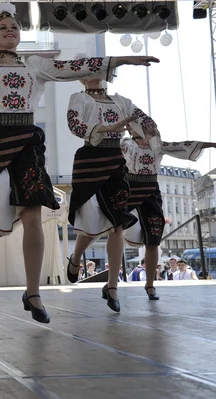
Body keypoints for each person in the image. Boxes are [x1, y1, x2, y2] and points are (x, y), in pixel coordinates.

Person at [0, 2, 158, 323]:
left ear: (20, 36)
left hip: (29, 142)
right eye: (3, 28)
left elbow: (74, 67)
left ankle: (33, 292)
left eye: (15, 28)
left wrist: (121, 59)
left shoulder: (36, 65)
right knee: (1, 225)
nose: (10, 32)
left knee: (33, 215)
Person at [64, 74, 159, 313]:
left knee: (116, 223)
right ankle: (76, 257)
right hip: (90, 160)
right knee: (93, 222)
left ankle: (113, 286)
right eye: (90, 67)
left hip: (115, 162)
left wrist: (149, 130)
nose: (95, 72)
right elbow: (75, 126)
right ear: (82, 77)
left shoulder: (121, 101)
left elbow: (145, 121)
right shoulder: (78, 98)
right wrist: (110, 127)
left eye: (99, 66)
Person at [121, 123, 215, 298]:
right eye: (137, 126)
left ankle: (150, 285)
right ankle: (112, 281)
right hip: (130, 191)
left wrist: (211, 144)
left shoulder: (157, 145)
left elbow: (182, 145)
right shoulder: (127, 144)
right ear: (130, 130)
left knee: (153, 240)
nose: (144, 128)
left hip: (151, 193)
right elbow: (120, 153)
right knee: (119, 230)